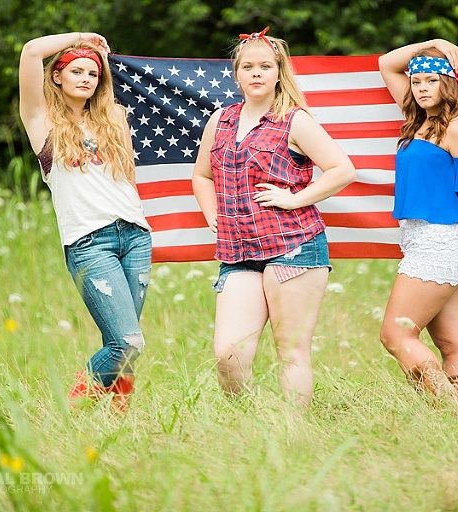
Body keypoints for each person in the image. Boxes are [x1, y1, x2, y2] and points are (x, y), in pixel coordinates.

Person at [191, 27, 356, 408]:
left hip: (293, 245)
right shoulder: (221, 120)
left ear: (279, 72)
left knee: (291, 350)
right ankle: (251, 426)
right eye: (248, 66)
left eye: (265, 66)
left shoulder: (293, 120)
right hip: (239, 249)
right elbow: (202, 175)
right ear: (236, 74)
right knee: (229, 354)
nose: (256, 73)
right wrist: (212, 213)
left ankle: (292, 435)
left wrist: (294, 198)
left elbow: (342, 169)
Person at [19, 32, 153, 412]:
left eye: (93, 73)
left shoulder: (113, 120)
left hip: (136, 237)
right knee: (127, 343)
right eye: (76, 71)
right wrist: (82, 39)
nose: (85, 78)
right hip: (89, 242)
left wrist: (103, 61)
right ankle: (68, 413)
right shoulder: (41, 121)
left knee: (127, 341)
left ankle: (118, 420)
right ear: (57, 76)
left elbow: (129, 181)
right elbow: (31, 52)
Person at [377, 40, 458, 407]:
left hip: (440, 240)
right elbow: (386, 63)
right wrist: (432, 44)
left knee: (395, 337)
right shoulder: (419, 120)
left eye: (431, 80)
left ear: (450, 84)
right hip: (419, 239)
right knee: (452, 343)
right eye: (417, 81)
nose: (421, 88)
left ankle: (448, 410)